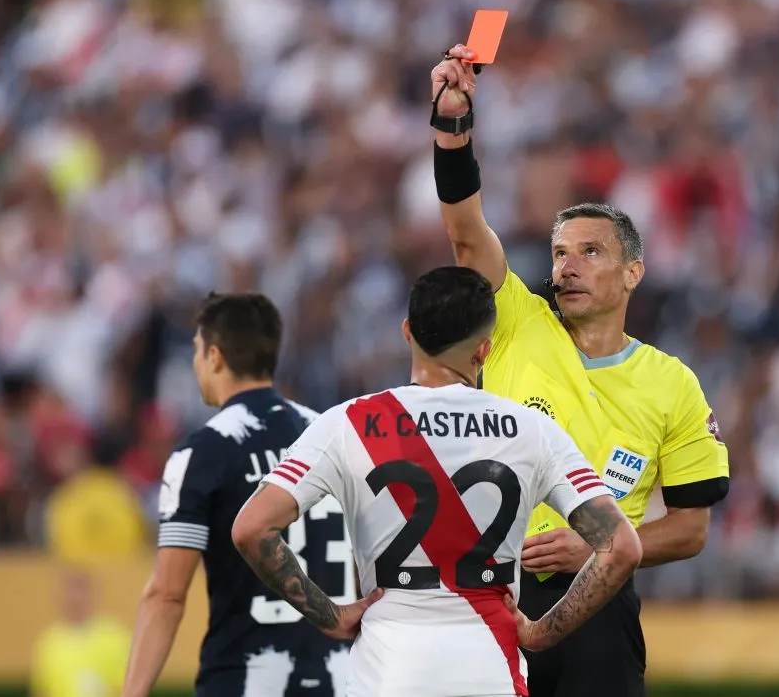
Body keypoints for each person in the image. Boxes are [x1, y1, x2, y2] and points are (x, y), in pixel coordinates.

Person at [428, 45, 731, 697]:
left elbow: (691, 528)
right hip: (492, 588)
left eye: (590, 252)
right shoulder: (516, 319)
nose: (567, 265)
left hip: (598, 602)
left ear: (632, 273)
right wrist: (452, 131)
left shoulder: (671, 381)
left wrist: (601, 545)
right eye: (562, 251)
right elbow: (464, 232)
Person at [232, 266, 643, 697]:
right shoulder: (532, 429)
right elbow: (622, 547)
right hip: (491, 673)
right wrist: (543, 631)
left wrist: (329, 615)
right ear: (484, 350)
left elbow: (251, 528)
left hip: (385, 677)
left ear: (407, 332)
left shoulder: (348, 423)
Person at [122, 293, 358, 697]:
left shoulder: (201, 452)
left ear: (214, 356)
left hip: (243, 678)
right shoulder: (335, 435)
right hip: (342, 679)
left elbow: (167, 593)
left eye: (197, 351)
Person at [31, 569, 131, 697]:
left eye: (79, 589)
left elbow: (129, 685)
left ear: (91, 593)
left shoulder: (115, 636)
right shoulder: (48, 641)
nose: (73, 597)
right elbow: (41, 689)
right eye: (68, 590)